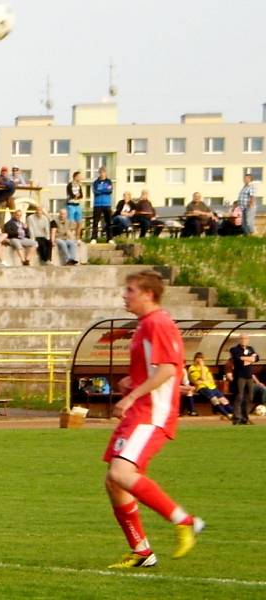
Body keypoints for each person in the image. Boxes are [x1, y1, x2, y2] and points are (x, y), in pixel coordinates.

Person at [104, 269, 203, 569]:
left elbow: (168, 370)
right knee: (115, 482)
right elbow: (159, 369)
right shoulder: (146, 324)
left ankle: (184, 521)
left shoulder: (158, 322)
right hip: (140, 412)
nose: (125, 295)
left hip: (150, 414)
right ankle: (142, 552)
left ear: (148, 294)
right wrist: (130, 383)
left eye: (130, 290)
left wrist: (133, 396)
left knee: (121, 475)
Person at [186, 352, 233, 419]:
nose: (199, 360)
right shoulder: (192, 368)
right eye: (198, 358)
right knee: (214, 400)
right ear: (194, 359)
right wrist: (202, 367)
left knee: (224, 400)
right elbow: (203, 378)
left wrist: (203, 373)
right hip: (202, 387)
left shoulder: (205, 368)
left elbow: (210, 379)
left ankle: (235, 414)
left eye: (201, 358)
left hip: (211, 386)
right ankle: (227, 415)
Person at [228, 333, 259, 425]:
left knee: (250, 397)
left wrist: (246, 359)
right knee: (239, 396)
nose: (244, 340)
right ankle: (237, 418)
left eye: (246, 338)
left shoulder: (251, 348)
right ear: (239, 339)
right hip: (240, 376)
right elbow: (237, 358)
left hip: (249, 376)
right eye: (242, 338)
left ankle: (245, 417)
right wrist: (250, 358)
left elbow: (256, 358)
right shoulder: (234, 349)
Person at [91, 167, 113, 243]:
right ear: (99, 173)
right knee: (95, 222)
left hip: (107, 204)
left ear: (105, 173)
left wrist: (101, 190)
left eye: (103, 172)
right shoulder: (95, 182)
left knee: (108, 222)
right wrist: (104, 190)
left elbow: (109, 191)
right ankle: (94, 238)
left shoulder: (109, 181)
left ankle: (109, 238)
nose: (102, 174)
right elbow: (95, 192)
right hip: (97, 205)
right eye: (101, 172)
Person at [66, 171, 84, 239]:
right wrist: (76, 196)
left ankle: (78, 237)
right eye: (79, 176)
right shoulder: (70, 185)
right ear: (75, 177)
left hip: (78, 205)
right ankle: (71, 237)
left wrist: (77, 196)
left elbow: (81, 195)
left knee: (79, 222)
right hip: (71, 205)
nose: (80, 178)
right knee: (71, 222)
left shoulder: (79, 185)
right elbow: (70, 194)